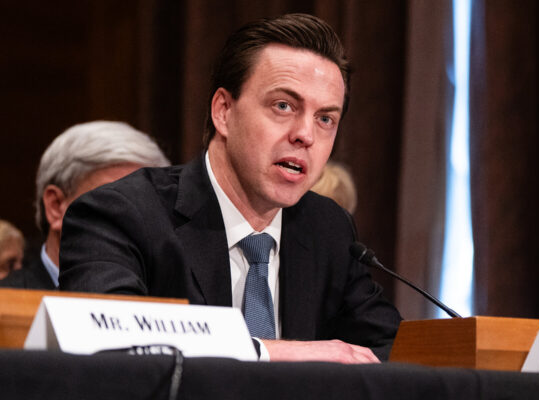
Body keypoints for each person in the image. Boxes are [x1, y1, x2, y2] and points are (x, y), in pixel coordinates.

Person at [59, 14, 401, 363]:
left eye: (325, 119)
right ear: (223, 111)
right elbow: (107, 344)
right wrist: (275, 353)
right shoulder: (122, 214)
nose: (305, 135)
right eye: (283, 106)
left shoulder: (328, 229)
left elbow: (395, 350)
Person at [0, 121, 169, 289]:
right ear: (56, 207)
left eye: (149, 206)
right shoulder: (7, 298)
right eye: (113, 203)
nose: (136, 222)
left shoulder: (173, 299)